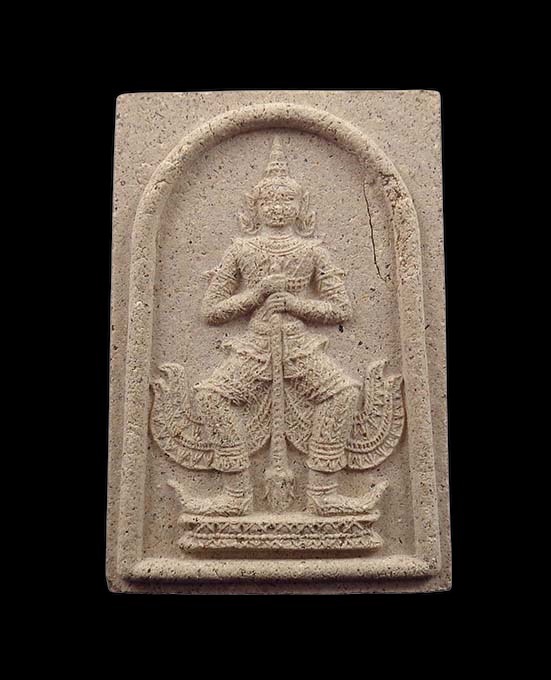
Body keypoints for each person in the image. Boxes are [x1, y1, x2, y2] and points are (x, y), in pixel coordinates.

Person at [173, 138, 374, 516]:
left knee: (344, 394)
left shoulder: (312, 251)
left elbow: (341, 308)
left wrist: (296, 304)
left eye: (286, 201)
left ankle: (322, 493)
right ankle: (236, 495)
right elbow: (211, 310)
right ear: (255, 207)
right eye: (269, 201)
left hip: (298, 347)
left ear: (301, 208)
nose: (278, 207)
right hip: (256, 346)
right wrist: (256, 294)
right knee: (211, 397)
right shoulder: (241, 250)